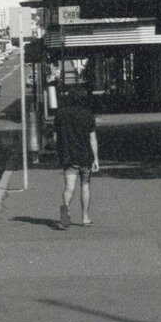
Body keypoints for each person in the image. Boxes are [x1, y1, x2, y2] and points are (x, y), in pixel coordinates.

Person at [53, 84, 101, 229]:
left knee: (69, 186)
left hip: (68, 156)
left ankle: (66, 208)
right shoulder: (88, 114)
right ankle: (85, 218)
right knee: (85, 186)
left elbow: (55, 137)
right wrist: (96, 158)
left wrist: (59, 151)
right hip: (85, 156)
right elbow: (93, 138)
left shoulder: (60, 114)